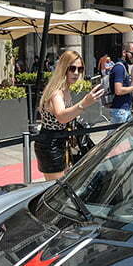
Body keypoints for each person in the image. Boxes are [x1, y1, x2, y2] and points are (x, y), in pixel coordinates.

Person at [34, 50, 104, 180]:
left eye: (80, 69)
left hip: (61, 141)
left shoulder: (66, 89)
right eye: (72, 68)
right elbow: (61, 117)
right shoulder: (56, 92)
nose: (76, 73)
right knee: (55, 189)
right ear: (63, 68)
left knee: (63, 186)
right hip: (50, 144)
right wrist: (84, 103)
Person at [109, 42, 133, 124]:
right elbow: (118, 90)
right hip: (120, 110)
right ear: (124, 53)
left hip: (124, 109)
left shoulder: (124, 66)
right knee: (117, 136)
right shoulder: (119, 68)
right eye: (132, 54)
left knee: (125, 136)